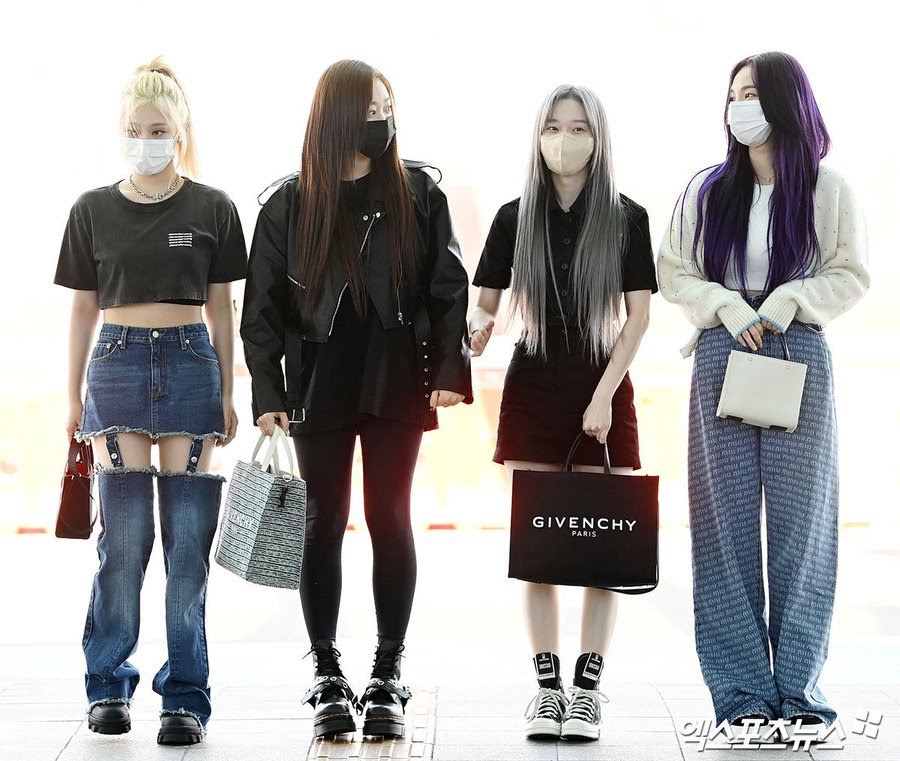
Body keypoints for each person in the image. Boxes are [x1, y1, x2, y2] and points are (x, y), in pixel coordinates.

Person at [240, 59, 473, 739]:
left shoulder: (419, 192)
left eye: (386, 107)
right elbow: (261, 308)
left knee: (389, 515)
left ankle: (388, 671)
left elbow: (448, 285)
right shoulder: (288, 205)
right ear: (336, 114)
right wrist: (267, 390)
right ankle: (325, 671)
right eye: (369, 108)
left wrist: (450, 368)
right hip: (318, 376)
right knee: (322, 520)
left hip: (396, 370)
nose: (381, 119)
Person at [656, 51, 869, 740]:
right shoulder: (708, 189)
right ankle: (742, 693)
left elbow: (850, 274)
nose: (740, 106)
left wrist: (788, 300)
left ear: (785, 101)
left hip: (797, 347)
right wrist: (725, 305)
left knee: (803, 527)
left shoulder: (828, 188)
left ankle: (800, 693)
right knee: (722, 528)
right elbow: (674, 272)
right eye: (734, 94)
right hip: (723, 349)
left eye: (752, 93)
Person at [53, 57, 247, 746]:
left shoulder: (214, 207)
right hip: (117, 364)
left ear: (181, 130)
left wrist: (230, 389)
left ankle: (185, 696)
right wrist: (72, 396)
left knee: (188, 547)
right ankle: (108, 684)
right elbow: (83, 309)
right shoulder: (91, 210)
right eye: (135, 130)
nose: (146, 141)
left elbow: (223, 308)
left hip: (193, 363)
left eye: (158, 129)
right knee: (125, 541)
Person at [468, 85, 657, 741]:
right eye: (553, 126)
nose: (564, 139)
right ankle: (547, 692)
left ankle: (587, 691)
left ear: (598, 139)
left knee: (607, 542)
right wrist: (476, 329)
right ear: (538, 137)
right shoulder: (513, 217)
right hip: (533, 386)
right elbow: (485, 303)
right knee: (540, 545)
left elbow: (637, 318)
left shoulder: (628, 218)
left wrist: (603, 395)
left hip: (606, 383)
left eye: (578, 127)